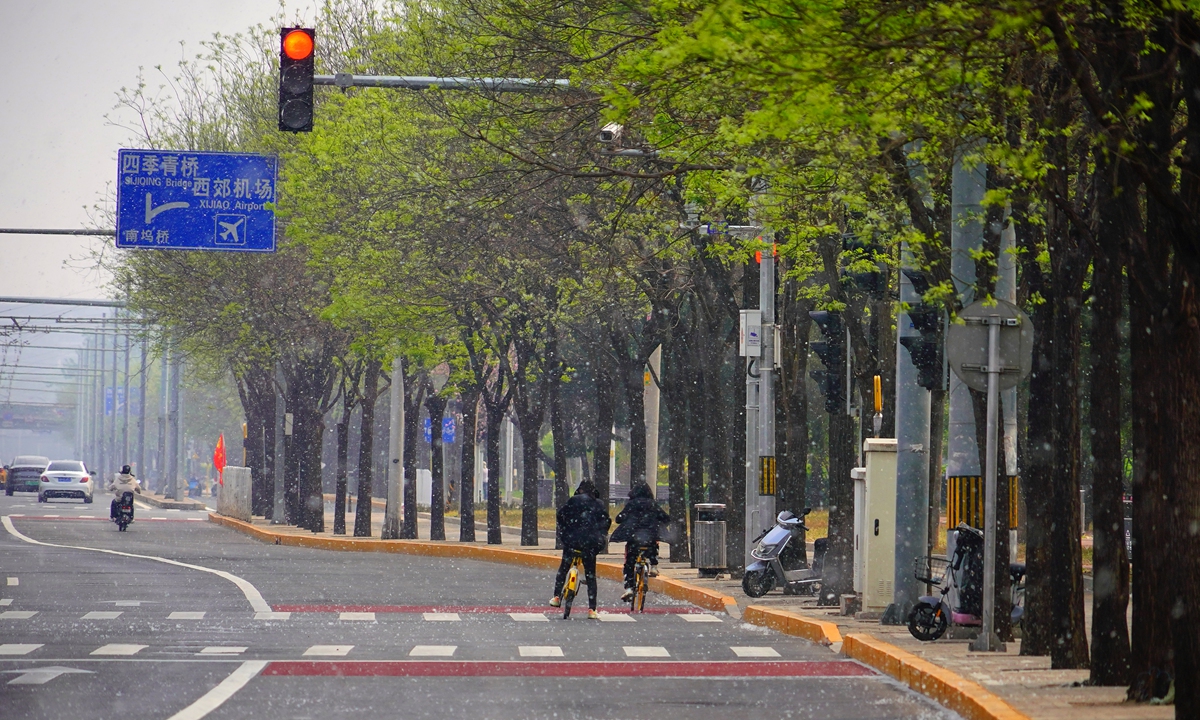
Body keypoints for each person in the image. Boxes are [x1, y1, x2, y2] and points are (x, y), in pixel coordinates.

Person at [550, 479, 611, 619]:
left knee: (563, 569)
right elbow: (606, 521)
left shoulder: (573, 500)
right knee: (590, 575)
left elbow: (561, 516)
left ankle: (556, 597)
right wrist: (600, 535)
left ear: (580, 489)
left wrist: (565, 531)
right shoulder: (599, 504)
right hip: (590, 543)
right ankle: (592, 609)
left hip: (572, 541)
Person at [611, 482, 669, 601]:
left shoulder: (631, 504)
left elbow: (619, 518)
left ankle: (629, 588)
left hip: (634, 537)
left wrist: (624, 520)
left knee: (629, 563)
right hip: (650, 536)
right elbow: (666, 518)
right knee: (654, 542)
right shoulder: (653, 504)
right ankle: (654, 565)